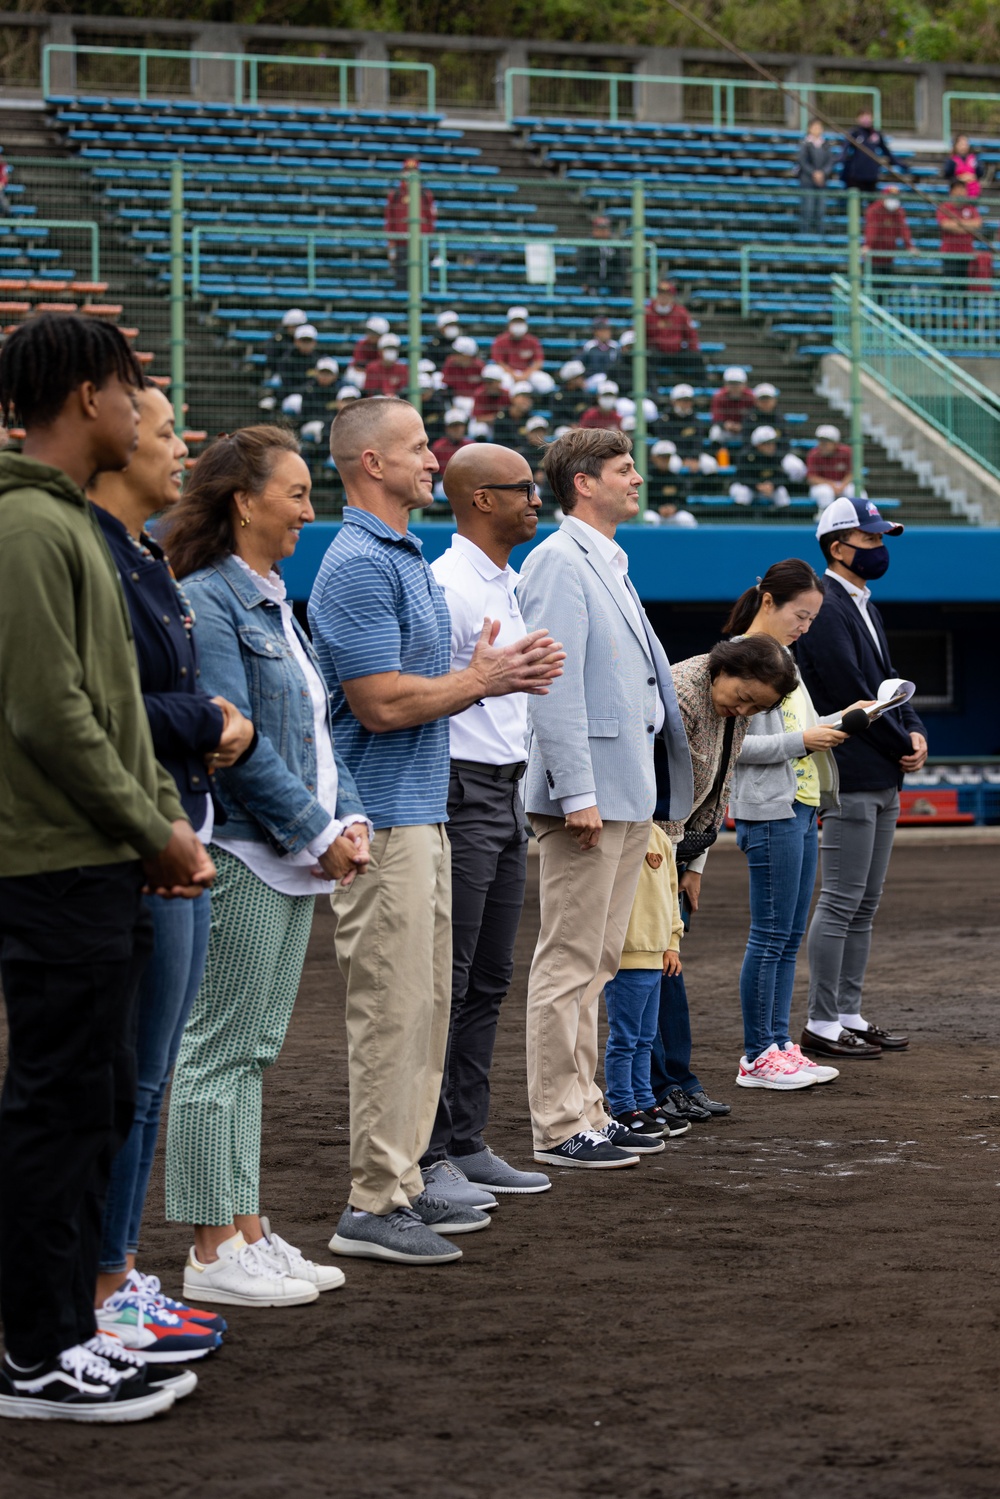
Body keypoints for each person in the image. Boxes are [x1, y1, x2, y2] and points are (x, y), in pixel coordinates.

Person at [0, 312, 213, 1422]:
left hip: (93, 853)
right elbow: (54, 713)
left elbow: (108, 709)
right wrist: (156, 828)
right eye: (131, 390)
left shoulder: (64, 527)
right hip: (58, 860)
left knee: (83, 1105)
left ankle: (64, 1334)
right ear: (87, 398)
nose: (141, 412)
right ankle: (34, 1355)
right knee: (58, 1104)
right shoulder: (32, 531)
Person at [308, 397, 562, 1263]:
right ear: (370, 462)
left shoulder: (403, 555)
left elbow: (422, 689)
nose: (433, 457)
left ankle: (409, 1179)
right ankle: (374, 1200)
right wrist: (485, 680)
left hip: (424, 813)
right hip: (386, 819)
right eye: (418, 446)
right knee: (393, 1012)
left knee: (424, 1009)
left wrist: (485, 676)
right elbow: (379, 704)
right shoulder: (355, 564)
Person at [162, 426, 370, 1308]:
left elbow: (316, 732)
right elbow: (233, 741)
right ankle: (212, 1249)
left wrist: (346, 817)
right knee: (220, 1051)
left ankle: (245, 1227)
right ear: (244, 501)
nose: (308, 509)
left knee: (252, 1048)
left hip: (286, 852)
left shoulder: (273, 599)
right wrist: (318, 828)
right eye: (295, 492)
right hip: (248, 847)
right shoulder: (209, 600)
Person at [89, 385, 256, 1359]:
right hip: (138, 842)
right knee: (124, 1082)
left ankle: (116, 1272)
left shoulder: (145, 559)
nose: (177, 450)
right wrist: (212, 723)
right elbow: (94, 705)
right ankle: (101, 1282)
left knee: (142, 1081)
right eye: (161, 433)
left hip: (175, 829)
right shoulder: (95, 558)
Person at [517, 427, 695, 1171]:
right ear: (583, 482)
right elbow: (550, 683)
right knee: (569, 962)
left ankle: (589, 1107)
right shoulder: (559, 559)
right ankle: (559, 1122)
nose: (637, 479)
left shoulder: (606, 561)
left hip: (627, 792)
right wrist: (576, 791)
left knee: (597, 962)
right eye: (624, 469)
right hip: (591, 797)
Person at [421, 443, 558, 1203]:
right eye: (523, 490)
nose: (535, 500)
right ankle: (431, 1149)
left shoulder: (505, 584)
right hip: (459, 789)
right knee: (454, 977)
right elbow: (419, 692)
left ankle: (466, 1139)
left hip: (502, 791)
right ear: (481, 500)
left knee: (490, 979)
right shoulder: (444, 586)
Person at [725, 560, 872, 1090]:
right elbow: (732, 747)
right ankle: (756, 1054)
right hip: (771, 810)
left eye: (812, 618)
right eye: (801, 615)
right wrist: (804, 741)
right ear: (769, 602)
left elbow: (803, 729)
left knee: (786, 937)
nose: (805, 626)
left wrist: (845, 717)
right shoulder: (743, 656)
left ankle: (778, 1044)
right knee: (770, 935)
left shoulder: (781, 656)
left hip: (800, 805)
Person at [795, 498, 928, 1060]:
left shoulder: (860, 603)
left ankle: (847, 1011)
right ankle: (822, 1021)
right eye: (870, 540)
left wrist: (915, 729)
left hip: (879, 772)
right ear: (836, 547)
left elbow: (888, 682)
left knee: (864, 901)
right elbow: (852, 686)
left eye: (880, 539)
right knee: (843, 899)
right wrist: (903, 743)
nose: (880, 549)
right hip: (850, 770)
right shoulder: (825, 605)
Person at [656, 636, 796, 1125]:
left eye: (755, 707)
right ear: (725, 667)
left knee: (667, 972)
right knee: (645, 970)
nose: (743, 709)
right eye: (743, 696)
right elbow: (658, 784)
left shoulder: (733, 703)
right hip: (653, 849)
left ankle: (677, 1081)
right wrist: (665, 869)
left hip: (681, 850)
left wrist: (694, 865)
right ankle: (651, 1091)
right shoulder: (678, 694)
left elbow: (721, 782)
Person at [602, 825, 688, 1137]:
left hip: (656, 956)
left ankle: (644, 1099)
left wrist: (672, 943)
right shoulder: (613, 832)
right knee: (625, 1038)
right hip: (625, 957)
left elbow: (670, 891)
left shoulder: (659, 836)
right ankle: (622, 1105)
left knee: (645, 1038)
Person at [384, 157, 436, 291]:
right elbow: (390, 221)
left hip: (420, 243)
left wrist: (427, 241)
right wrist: (391, 244)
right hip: (401, 245)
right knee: (402, 280)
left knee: (422, 280)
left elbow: (431, 219)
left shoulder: (425, 194)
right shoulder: (395, 195)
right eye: (407, 171)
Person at [729, 425, 805, 509]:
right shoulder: (745, 455)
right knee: (743, 493)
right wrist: (757, 486)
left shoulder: (776, 455)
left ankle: (782, 519)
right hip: (747, 486)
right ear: (758, 445)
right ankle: (740, 520)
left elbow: (781, 476)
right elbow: (742, 476)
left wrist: (772, 485)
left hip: (767, 487)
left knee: (781, 492)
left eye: (773, 443)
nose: (772, 446)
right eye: (768, 444)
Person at [645, 279, 703, 390]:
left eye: (667, 295)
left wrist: (694, 349)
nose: (664, 298)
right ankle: (651, 388)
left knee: (696, 357)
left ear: (672, 297)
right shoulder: (647, 312)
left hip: (676, 352)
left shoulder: (680, 313)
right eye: (661, 294)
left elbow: (691, 335)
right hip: (656, 353)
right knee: (646, 358)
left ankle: (702, 389)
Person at [806, 424, 862, 513]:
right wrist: (831, 485)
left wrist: (842, 485)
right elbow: (812, 478)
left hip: (843, 484)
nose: (822, 445)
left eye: (826, 443)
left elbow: (852, 473)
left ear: (836, 444)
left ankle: (860, 517)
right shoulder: (813, 454)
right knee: (825, 492)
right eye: (821, 442)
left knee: (856, 491)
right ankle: (826, 517)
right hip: (822, 485)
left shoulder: (846, 452)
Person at [937, 180, 983, 281]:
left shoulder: (971, 208)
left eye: (962, 189)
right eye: (957, 189)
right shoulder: (945, 208)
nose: (960, 192)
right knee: (948, 285)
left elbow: (978, 223)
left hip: (967, 254)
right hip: (949, 254)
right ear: (951, 192)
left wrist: (957, 224)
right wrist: (967, 227)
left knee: (964, 286)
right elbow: (945, 225)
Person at [840, 110, 896, 194]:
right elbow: (844, 150)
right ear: (858, 119)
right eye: (863, 116)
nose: (866, 119)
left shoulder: (876, 134)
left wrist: (899, 163)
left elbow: (886, 152)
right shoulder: (854, 133)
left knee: (871, 203)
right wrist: (840, 159)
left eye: (868, 116)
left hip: (871, 175)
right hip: (856, 176)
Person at [797, 118, 836, 237]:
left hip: (822, 182)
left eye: (819, 127)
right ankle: (805, 235)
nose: (817, 129)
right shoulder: (805, 144)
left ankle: (820, 236)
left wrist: (822, 173)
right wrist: (814, 173)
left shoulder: (825, 145)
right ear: (809, 129)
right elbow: (802, 161)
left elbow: (830, 161)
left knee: (821, 211)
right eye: (815, 127)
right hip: (808, 181)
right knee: (807, 209)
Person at [645, 440, 697, 526]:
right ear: (654, 458)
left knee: (686, 518)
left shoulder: (676, 478)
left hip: (673, 515)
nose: (664, 460)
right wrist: (658, 508)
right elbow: (642, 502)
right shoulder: (647, 477)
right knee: (648, 518)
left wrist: (674, 508)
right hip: (656, 513)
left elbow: (683, 501)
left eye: (667, 457)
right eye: (661, 457)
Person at [863, 186, 913, 276]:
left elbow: (903, 229)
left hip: (889, 254)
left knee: (885, 282)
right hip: (874, 253)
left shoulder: (898, 211)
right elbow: (872, 229)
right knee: (873, 280)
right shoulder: (875, 209)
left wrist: (909, 246)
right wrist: (868, 245)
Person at [491, 307, 544, 382]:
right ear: (509, 323)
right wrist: (513, 375)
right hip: (508, 374)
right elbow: (499, 362)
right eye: (515, 322)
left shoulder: (533, 341)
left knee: (542, 380)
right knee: (504, 381)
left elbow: (538, 362)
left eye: (521, 322)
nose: (518, 325)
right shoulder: (500, 341)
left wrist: (525, 375)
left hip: (527, 373)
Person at [710, 367, 756, 441]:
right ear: (725, 384)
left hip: (744, 431)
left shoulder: (750, 397)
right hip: (725, 430)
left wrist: (743, 425)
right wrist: (725, 424)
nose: (734, 387)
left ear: (744, 384)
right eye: (731, 383)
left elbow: (755, 415)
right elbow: (716, 417)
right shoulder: (719, 397)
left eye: (738, 384)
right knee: (715, 432)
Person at [578, 214, 620, 295]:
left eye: (605, 229)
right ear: (594, 230)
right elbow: (581, 264)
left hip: (609, 276)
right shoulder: (587, 244)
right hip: (593, 276)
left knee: (617, 281)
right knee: (591, 281)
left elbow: (620, 265)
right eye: (600, 229)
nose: (603, 232)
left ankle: (616, 305)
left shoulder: (615, 244)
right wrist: (583, 281)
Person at [431, 408, 473, 487]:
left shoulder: (471, 445)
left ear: (464, 427)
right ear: (447, 429)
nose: (457, 429)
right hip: (445, 483)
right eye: (453, 426)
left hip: (467, 482)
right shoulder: (438, 446)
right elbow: (433, 472)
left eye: (460, 426)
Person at [364, 332, 409, 398]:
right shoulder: (372, 367)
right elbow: (370, 391)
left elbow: (403, 389)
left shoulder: (402, 368)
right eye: (387, 348)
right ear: (380, 351)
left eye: (393, 348)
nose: (391, 351)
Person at [441, 336, 484, 402]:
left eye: (457, 353)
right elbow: (446, 386)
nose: (453, 356)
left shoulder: (479, 366)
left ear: (467, 355)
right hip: (455, 400)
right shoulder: (450, 363)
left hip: (476, 400)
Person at [492, 382, 534, 449]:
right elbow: (498, 441)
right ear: (513, 398)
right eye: (523, 397)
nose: (527, 400)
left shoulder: (531, 419)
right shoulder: (501, 417)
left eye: (529, 397)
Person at [551, 360, 590, 428]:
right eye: (579, 377)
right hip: (564, 428)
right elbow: (557, 417)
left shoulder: (584, 395)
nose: (582, 379)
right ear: (571, 379)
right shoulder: (558, 396)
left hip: (582, 427)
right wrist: (569, 424)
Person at [472, 362, 508, 427]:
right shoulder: (480, 394)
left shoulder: (506, 394)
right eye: (485, 382)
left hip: (501, 426)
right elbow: (478, 418)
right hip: (487, 425)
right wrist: (497, 417)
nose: (487, 385)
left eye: (490, 382)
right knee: (479, 428)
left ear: (499, 382)